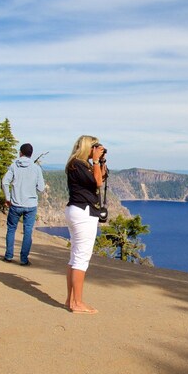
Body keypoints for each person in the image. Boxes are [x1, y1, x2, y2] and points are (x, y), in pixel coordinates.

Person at [64, 135, 106, 314]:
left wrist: (100, 162)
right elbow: (97, 182)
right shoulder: (78, 165)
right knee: (81, 258)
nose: (95, 149)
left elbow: (100, 178)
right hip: (84, 212)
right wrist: (96, 161)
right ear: (87, 147)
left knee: (75, 257)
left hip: (77, 210)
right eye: (94, 146)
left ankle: (71, 300)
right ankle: (78, 303)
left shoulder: (77, 164)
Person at [1, 143, 46, 266]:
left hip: (15, 203)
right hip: (31, 205)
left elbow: (5, 182)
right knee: (27, 232)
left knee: (11, 229)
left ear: (20, 152)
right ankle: (24, 259)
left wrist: (8, 197)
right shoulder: (36, 168)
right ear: (31, 154)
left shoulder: (14, 166)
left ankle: (8, 256)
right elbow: (41, 188)